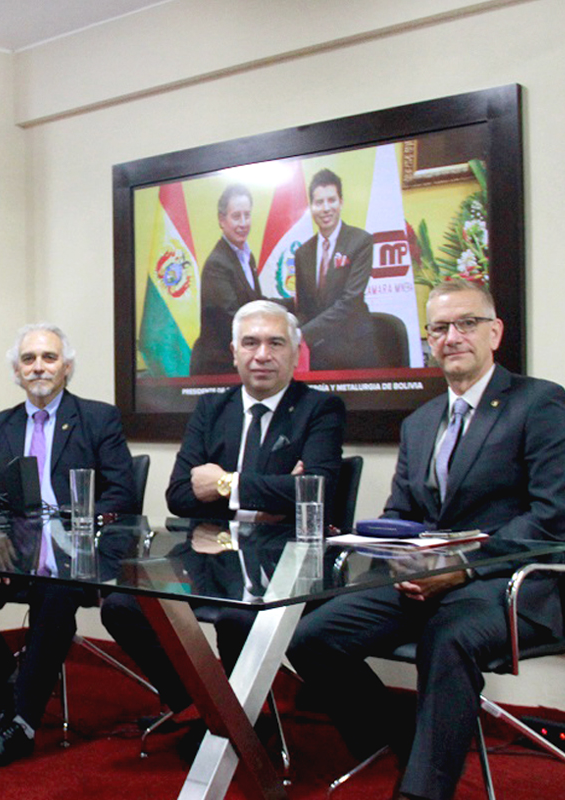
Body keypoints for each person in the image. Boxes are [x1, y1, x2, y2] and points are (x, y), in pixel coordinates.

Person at [286, 278, 565, 800]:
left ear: (495, 332)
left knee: (449, 637)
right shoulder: (421, 421)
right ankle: (406, 738)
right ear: (428, 340)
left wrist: (462, 567)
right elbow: (402, 513)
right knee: (310, 637)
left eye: (467, 323)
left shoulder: (539, 402)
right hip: (422, 582)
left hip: (502, 584)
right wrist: (376, 547)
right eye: (440, 328)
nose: (453, 337)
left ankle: (423, 791)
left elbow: (551, 518)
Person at [102, 300, 344, 712]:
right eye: (250, 343)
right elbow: (178, 495)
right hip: (213, 555)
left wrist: (223, 483)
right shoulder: (213, 408)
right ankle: (195, 703)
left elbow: (314, 491)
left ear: (294, 351)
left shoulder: (319, 408)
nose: (262, 355)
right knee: (123, 605)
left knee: (237, 617)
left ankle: (247, 728)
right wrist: (277, 488)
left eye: (275, 343)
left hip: (282, 561)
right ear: (234, 353)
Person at [0, 323, 139, 768]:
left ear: (66, 367)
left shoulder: (98, 418)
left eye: (48, 358)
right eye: (28, 359)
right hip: (12, 553)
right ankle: (4, 684)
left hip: (77, 554)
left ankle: (22, 727)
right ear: (16, 371)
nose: (38, 367)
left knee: (57, 589)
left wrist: (76, 528)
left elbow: (121, 495)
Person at [293, 168, 380, 370]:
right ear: (311, 207)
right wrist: (290, 329)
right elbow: (304, 307)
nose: (326, 208)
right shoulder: (302, 253)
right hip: (318, 352)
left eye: (331, 200)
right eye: (319, 202)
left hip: (355, 349)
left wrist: (303, 334)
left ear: (341, 202)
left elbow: (350, 301)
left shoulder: (361, 241)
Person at [190, 184, 278, 375]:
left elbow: (255, 303)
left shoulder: (246, 255)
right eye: (236, 216)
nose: (243, 222)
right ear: (222, 220)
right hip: (218, 367)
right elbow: (234, 316)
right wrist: (275, 329)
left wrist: (291, 304)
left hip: (239, 362)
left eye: (247, 215)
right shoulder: (217, 264)